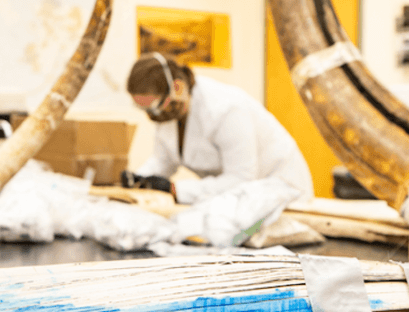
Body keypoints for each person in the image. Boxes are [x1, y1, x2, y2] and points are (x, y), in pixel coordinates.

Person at [121, 52, 314, 205]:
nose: (151, 115)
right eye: (142, 108)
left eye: (153, 106)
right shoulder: (171, 111)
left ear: (177, 88)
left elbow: (240, 179)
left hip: (280, 190)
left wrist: (174, 189)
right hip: (240, 200)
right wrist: (139, 179)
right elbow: (164, 161)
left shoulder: (225, 109)